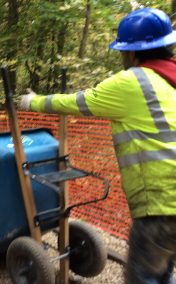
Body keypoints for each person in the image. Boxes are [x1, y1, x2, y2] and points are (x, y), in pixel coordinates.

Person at [18, 8, 176, 284]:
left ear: (132, 52)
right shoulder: (170, 80)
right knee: (163, 271)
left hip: (162, 204)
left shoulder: (133, 82)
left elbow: (77, 103)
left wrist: (34, 102)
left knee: (145, 277)